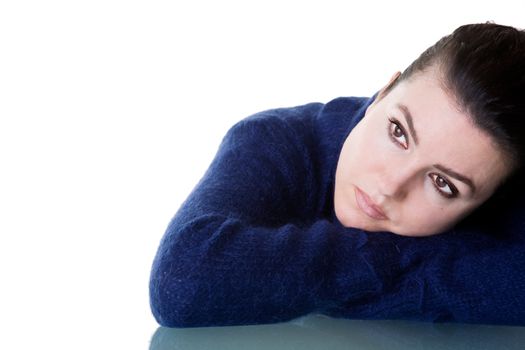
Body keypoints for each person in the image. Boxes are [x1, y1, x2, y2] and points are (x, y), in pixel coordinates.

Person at [150, 22, 525, 327]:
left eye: (442, 183)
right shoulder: (275, 140)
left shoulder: (502, 186)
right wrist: (425, 267)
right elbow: (182, 283)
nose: (390, 186)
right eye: (398, 131)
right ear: (384, 92)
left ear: (489, 201)